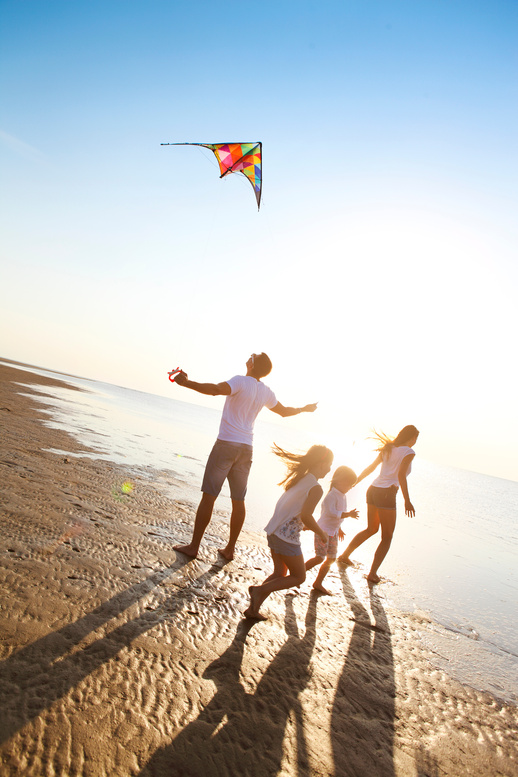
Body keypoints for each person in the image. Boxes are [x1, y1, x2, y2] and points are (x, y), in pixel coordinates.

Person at [172, 353, 318, 560]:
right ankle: (230, 549)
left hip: (226, 445)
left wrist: (186, 383)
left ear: (253, 364)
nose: (250, 357)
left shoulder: (240, 381)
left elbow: (214, 390)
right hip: (246, 448)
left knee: (209, 497)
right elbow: (284, 412)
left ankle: (194, 547)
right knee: (238, 500)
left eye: (253, 356)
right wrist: (304, 409)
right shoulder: (265, 391)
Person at [244, 443, 334, 620]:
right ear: (321, 463)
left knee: (279, 574)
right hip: (286, 538)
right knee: (299, 577)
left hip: (274, 530)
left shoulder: (301, 478)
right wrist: (321, 533)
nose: (330, 469)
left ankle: (252, 610)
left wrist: (302, 524)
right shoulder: (316, 488)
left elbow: (294, 510)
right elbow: (307, 515)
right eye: (329, 465)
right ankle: (258, 590)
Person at [337, 425, 419, 583]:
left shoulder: (388, 448)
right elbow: (401, 475)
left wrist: (356, 481)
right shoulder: (409, 452)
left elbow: (372, 467)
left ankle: (344, 556)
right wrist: (407, 500)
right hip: (386, 493)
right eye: (416, 438)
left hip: (373, 489)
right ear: (412, 437)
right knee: (387, 536)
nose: (415, 442)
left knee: (371, 529)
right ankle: (372, 573)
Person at [305, 465, 359, 594]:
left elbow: (338, 516)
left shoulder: (342, 496)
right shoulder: (331, 495)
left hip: (333, 532)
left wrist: (339, 528)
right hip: (322, 531)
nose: (350, 488)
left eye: (352, 485)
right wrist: (348, 514)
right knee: (319, 557)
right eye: (349, 484)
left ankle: (318, 582)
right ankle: (298, 573)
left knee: (331, 558)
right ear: (339, 481)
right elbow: (332, 513)